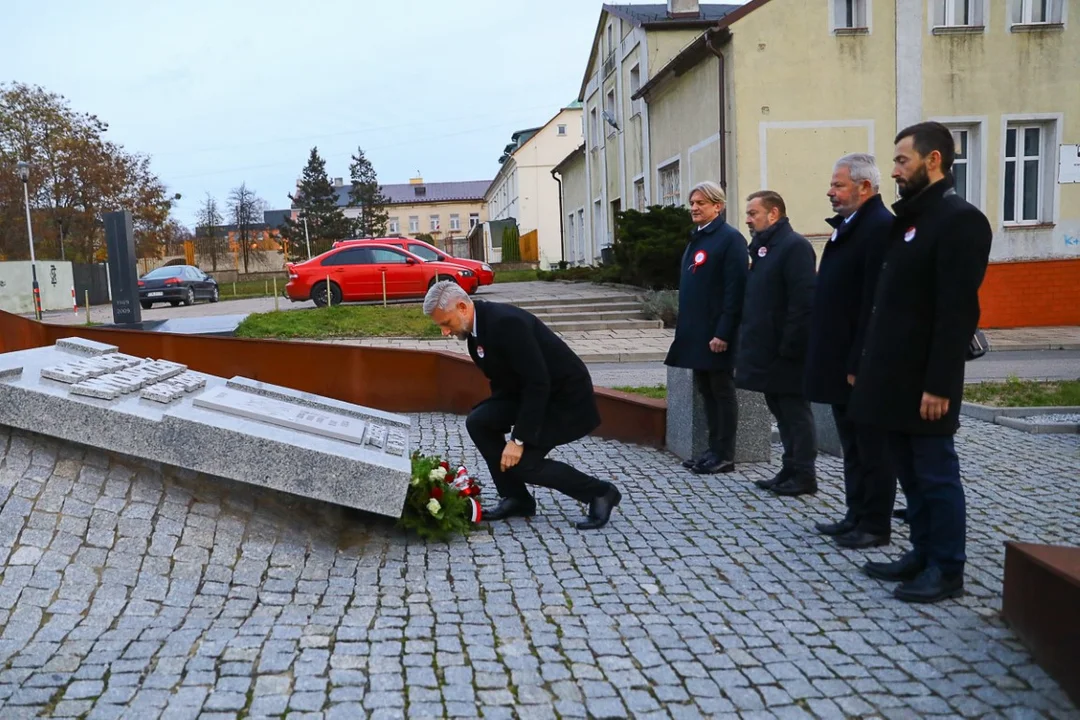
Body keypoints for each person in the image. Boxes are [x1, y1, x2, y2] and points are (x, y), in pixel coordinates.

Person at [849, 121, 992, 603]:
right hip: (891, 378)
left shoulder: (960, 220)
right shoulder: (907, 220)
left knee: (935, 474)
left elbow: (957, 313)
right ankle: (921, 553)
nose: (894, 171)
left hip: (926, 383)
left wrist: (940, 385)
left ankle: (947, 567)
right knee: (909, 472)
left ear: (934, 160)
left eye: (902, 160)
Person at [422, 280, 622, 530]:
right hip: (531, 393)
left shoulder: (506, 323)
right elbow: (503, 380)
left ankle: (600, 492)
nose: (444, 332)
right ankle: (517, 498)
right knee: (480, 422)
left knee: (525, 464)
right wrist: (496, 417)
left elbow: (538, 382)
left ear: (462, 307)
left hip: (562, 398)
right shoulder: (476, 332)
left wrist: (518, 439)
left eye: (445, 323)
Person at [804, 153, 897, 549]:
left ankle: (875, 524)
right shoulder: (851, 225)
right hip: (840, 359)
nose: (830, 192)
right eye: (832, 184)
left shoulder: (879, 227)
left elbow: (877, 303)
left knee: (872, 447)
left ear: (865, 187)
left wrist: (861, 360)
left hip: (862, 364)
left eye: (838, 185)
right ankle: (855, 513)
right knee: (852, 445)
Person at [735, 191, 818, 496]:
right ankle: (789, 468)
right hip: (766, 349)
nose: (748, 219)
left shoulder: (795, 247)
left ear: (774, 214)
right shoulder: (763, 249)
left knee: (795, 412)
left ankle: (805, 474)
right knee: (780, 411)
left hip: (787, 352)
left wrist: (790, 348)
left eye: (753, 213)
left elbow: (803, 303)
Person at [664, 181, 749, 474]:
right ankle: (712, 450)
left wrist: (724, 332)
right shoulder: (697, 238)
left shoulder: (730, 239)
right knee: (706, 392)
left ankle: (725, 454)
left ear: (718, 206)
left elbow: (734, 290)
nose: (694, 208)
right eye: (692, 203)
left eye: (701, 203)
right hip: (696, 333)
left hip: (716, 334)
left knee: (722, 392)